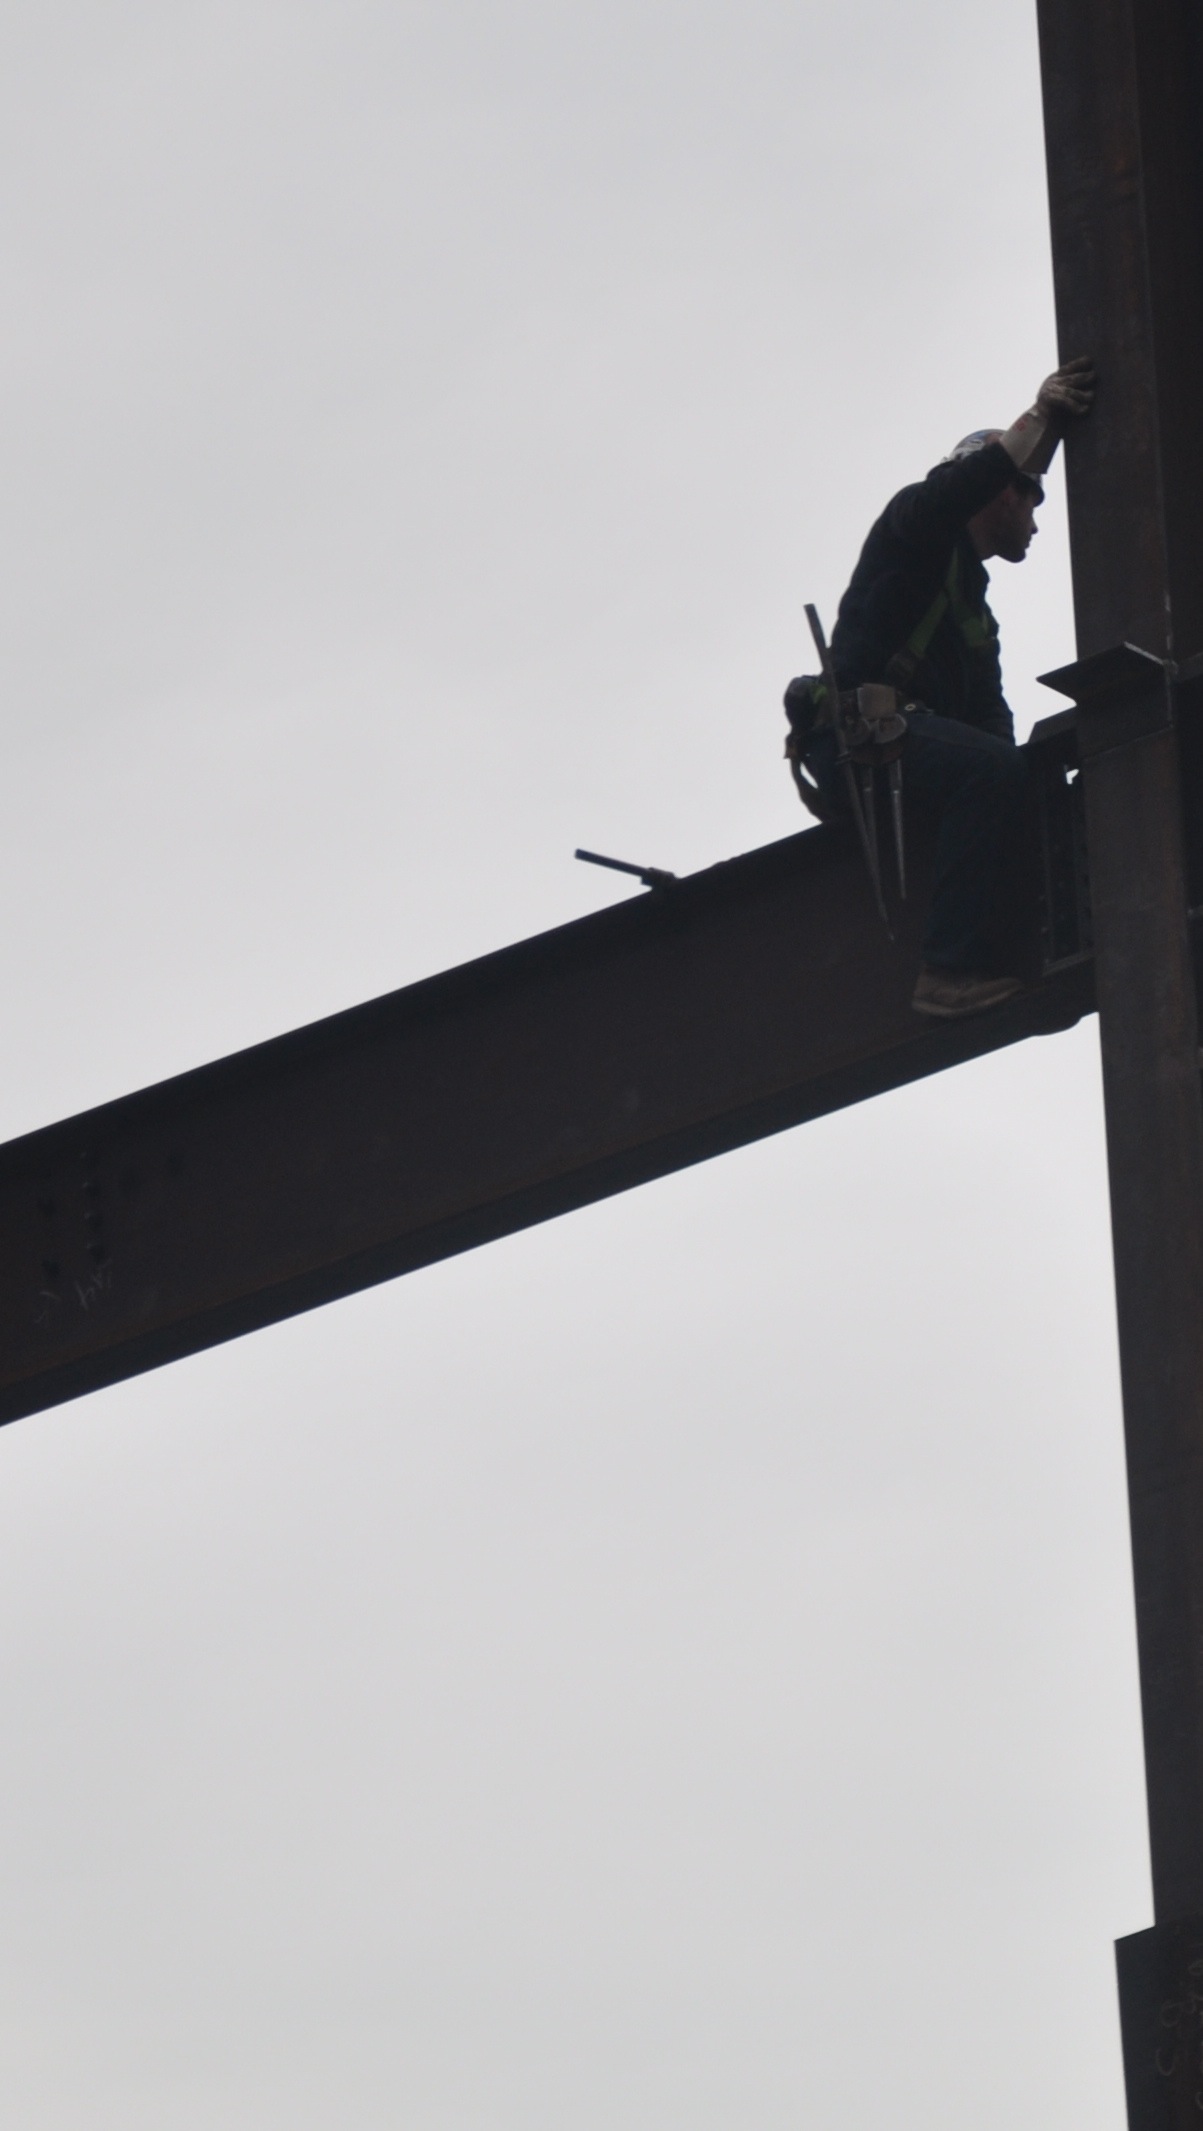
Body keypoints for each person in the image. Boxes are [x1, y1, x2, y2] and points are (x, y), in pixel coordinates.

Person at [785, 357, 1096, 1018]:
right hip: (858, 743)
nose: (1035, 520)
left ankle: (991, 943)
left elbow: (989, 717)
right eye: (1031, 497)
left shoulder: (974, 615)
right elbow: (953, 491)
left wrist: (1022, 784)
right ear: (1002, 490)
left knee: (1002, 767)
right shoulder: (915, 527)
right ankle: (946, 971)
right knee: (988, 771)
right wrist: (1038, 419)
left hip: (906, 752)